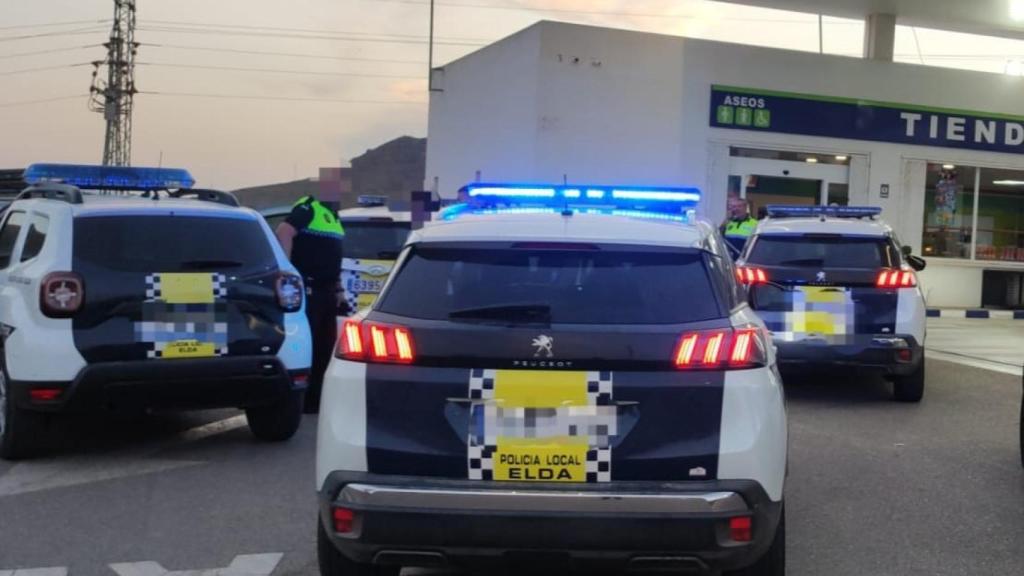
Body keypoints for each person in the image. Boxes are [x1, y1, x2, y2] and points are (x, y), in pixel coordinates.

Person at [276, 195, 345, 413]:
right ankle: (303, 399)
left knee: (326, 346)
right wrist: (286, 270)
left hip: (328, 291)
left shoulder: (334, 215)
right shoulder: (309, 208)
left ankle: (317, 399)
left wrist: (339, 289)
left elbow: (333, 258)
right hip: (309, 289)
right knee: (310, 345)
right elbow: (284, 231)